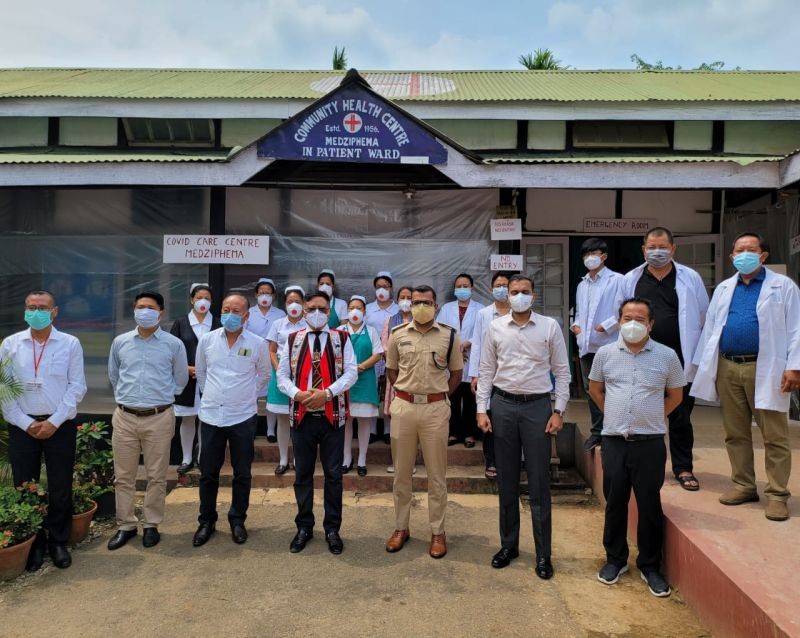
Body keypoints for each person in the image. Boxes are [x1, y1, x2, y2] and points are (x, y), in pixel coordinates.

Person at [691, 233, 800, 522]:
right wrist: (704, 367)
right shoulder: (725, 288)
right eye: (740, 250)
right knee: (735, 432)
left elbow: (796, 328)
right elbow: (711, 329)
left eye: (751, 250)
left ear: (763, 255)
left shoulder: (782, 286)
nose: (745, 254)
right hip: (728, 367)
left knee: (774, 435)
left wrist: (794, 366)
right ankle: (743, 485)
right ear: (731, 257)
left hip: (767, 368)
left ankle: (777, 494)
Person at [589, 297, 685, 598]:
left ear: (651, 324)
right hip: (615, 441)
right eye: (627, 317)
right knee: (615, 502)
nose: (633, 323)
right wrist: (617, 416)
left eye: (640, 319)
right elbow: (595, 389)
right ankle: (615, 560)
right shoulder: (604, 354)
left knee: (649, 505)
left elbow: (676, 396)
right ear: (618, 320)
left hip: (650, 443)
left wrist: (651, 417)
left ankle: (650, 566)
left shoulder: (667, 356)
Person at [476, 274, 570, 580]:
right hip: (502, 406)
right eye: (513, 291)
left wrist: (559, 410)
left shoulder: (549, 326)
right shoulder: (495, 327)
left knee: (540, 482)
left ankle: (544, 554)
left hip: (537, 408)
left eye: (524, 291)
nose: (517, 295)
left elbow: (562, 372)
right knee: (506, 480)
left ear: (534, 295)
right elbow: (486, 370)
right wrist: (482, 408)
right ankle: (509, 546)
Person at [616, 227, 708, 491]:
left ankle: (683, 467)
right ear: (643, 249)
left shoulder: (690, 278)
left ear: (673, 249)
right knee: (641, 410)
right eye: (651, 247)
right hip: (642, 357)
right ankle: (642, 467)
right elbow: (621, 315)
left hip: (679, 358)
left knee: (680, 416)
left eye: (663, 247)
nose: (657, 252)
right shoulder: (631, 279)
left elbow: (703, 316)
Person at [0, 290, 86, 571]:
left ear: (55, 311)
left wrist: (54, 421)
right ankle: (34, 542)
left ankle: (57, 541)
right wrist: (26, 423)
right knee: (26, 486)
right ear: (24, 310)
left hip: (59, 425)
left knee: (60, 485)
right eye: (31, 307)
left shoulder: (69, 343)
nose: (36, 311)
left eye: (42, 307)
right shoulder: (11, 344)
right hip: (21, 425)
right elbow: (5, 388)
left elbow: (77, 386)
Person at [277, 291, 358, 555]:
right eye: (311, 308)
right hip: (301, 416)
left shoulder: (341, 338)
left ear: (329, 312)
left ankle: (333, 529)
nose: (316, 313)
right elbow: (282, 377)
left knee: (334, 475)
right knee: (302, 475)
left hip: (332, 416)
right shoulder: (291, 340)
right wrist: (298, 394)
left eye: (322, 309)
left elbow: (351, 373)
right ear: (302, 310)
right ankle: (304, 527)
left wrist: (327, 393)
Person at [384, 285, 462, 559]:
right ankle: (400, 528)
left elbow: (456, 374)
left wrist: (436, 397)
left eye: (426, 302)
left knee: (436, 477)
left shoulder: (449, 336)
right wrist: (409, 394)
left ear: (436, 305)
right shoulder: (397, 334)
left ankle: (437, 532)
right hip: (404, 407)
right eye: (415, 302)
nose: (420, 306)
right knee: (401, 475)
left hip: (435, 410)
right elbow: (392, 370)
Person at [107, 292, 188, 550]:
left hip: (159, 417)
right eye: (140, 307)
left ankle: (152, 524)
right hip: (125, 417)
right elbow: (114, 375)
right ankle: (126, 525)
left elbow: (181, 379)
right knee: (124, 476)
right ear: (134, 310)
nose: (144, 311)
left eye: (150, 307)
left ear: (161, 312)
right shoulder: (120, 342)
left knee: (156, 476)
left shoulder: (173, 344)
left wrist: (161, 398)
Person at [191, 294, 269, 547]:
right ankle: (206, 521)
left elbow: (264, 375)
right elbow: (201, 372)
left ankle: (237, 520)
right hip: (212, 415)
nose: (230, 315)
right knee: (208, 473)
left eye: (236, 311)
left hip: (242, 417)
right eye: (226, 310)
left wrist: (245, 395)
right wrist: (211, 394)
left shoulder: (257, 344)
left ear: (246, 316)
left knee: (242, 472)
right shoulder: (207, 340)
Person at [570, 239, 623, 451]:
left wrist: (607, 326)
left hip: (609, 343)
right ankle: (597, 432)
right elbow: (579, 312)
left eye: (594, 252)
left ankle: (615, 430)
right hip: (586, 345)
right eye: (586, 254)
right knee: (593, 390)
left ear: (604, 256)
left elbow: (626, 310)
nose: (590, 257)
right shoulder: (582, 285)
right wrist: (575, 326)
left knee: (612, 388)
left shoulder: (617, 280)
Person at [170, 283, 220, 474]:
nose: (203, 301)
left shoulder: (217, 323)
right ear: (191, 300)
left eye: (207, 298)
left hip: (210, 379)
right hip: (186, 379)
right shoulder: (181, 322)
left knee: (205, 418)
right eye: (199, 297)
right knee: (188, 418)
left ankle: (201, 458)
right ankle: (186, 458)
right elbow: (172, 351)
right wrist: (186, 368)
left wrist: (204, 370)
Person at [469, 272, 513, 479]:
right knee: (491, 417)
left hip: (514, 374)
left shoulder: (519, 312)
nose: (501, 288)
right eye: (498, 285)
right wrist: (474, 375)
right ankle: (492, 461)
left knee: (511, 419)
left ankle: (513, 461)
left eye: (505, 285)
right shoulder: (484, 314)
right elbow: (476, 343)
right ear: (491, 289)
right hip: (489, 373)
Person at [437, 273, 484, 448]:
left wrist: (467, 343)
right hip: (451, 358)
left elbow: (483, 332)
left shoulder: (481, 309)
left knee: (471, 398)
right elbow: (440, 331)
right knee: (453, 397)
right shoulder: (446, 308)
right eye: (459, 286)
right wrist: (455, 347)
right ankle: (454, 432)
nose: (462, 289)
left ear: (472, 288)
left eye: (466, 286)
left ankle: (470, 433)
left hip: (473, 357)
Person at [265, 286, 307, 474]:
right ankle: (283, 460)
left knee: (300, 418)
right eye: (290, 302)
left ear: (304, 304)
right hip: (280, 372)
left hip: (303, 373)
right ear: (284, 305)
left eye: (298, 301)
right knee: (282, 418)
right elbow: (272, 350)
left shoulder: (309, 323)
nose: (294, 305)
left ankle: (299, 459)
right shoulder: (278, 324)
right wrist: (278, 369)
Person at [342, 295, 383, 476]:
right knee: (346, 421)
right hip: (344, 382)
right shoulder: (339, 330)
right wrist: (348, 369)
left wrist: (361, 367)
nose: (354, 311)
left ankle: (362, 460)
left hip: (365, 380)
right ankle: (346, 458)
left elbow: (378, 354)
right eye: (351, 308)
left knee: (364, 421)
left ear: (364, 311)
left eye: (358, 307)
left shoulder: (372, 331)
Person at [246, 277, 286, 443]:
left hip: (272, 356)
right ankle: (251, 427)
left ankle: (271, 430)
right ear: (256, 294)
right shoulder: (249, 313)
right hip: (253, 356)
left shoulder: (280, 314)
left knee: (271, 393)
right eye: (262, 293)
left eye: (268, 293)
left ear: (274, 296)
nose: (265, 296)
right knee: (252, 392)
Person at [381, 285, 414, 473]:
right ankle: (396, 462)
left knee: (411, 419)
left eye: (409, 297)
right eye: (402, 297)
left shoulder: (421, 321)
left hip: (414, 376)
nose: (406, 300)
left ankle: (409, 464)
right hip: (396, 376)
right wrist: (398, 361)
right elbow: (385, 346)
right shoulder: (390, 320)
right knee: (397, 419)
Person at [365, 271, 399, 444]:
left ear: (391, 288)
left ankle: (387, 430)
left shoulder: (398, 309)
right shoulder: (368, 309)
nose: (382, 290)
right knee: (372, 391)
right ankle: (371, 430)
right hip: (371, 356)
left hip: (391, 356)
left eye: (385, 286)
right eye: (379, 287)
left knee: (389, 391)